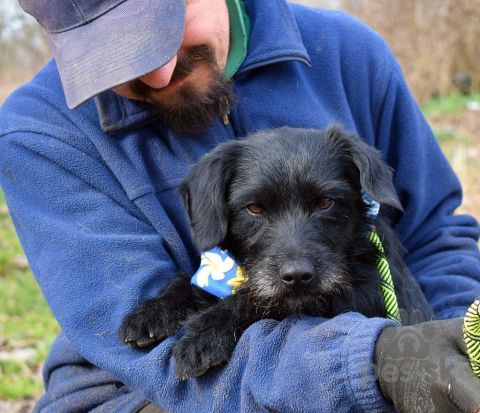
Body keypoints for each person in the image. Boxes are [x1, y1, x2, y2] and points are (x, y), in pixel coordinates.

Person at [1, 0, 480, 411]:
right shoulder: (39, 134)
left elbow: (435, 234)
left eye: (163, 28)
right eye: (116, 54)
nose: (160, 72)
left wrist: (447, 353)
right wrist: (370, 364)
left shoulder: (349, 54)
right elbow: (161, 359)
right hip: (140, 392)